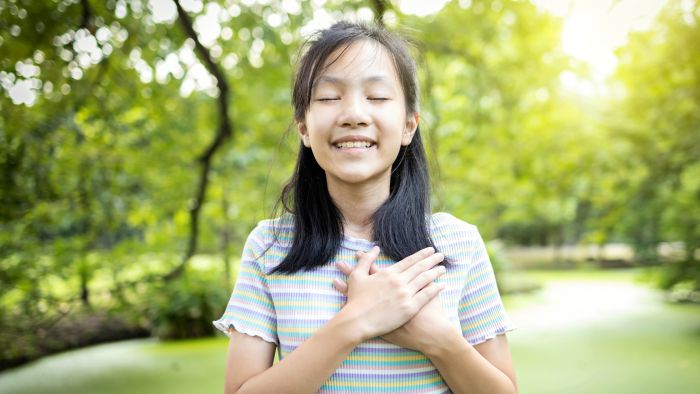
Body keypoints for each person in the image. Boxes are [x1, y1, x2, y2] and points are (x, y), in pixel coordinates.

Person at [213, 21, 518, 394]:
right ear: (304, 128)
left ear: (408, 125)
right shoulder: (269, 246)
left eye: (376, 97)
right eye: (328, 98)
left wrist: (437, 338)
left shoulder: (458, 242)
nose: (354, 114)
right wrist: (356, 320)